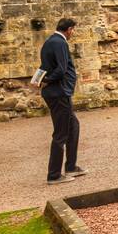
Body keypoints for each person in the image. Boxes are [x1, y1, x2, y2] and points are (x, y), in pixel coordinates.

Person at [40, 18, 86, 184]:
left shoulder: (50, 42)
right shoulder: (59, 43)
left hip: (59, 92)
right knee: (61, 133)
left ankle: (71, 166)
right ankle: (53, 175)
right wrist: (47, 80)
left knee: (73, 126)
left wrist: (42, 79)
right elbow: (60, 70)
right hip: (59, 93)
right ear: (69, 29)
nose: (73, 33)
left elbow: (45, 67)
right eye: (73, 30)